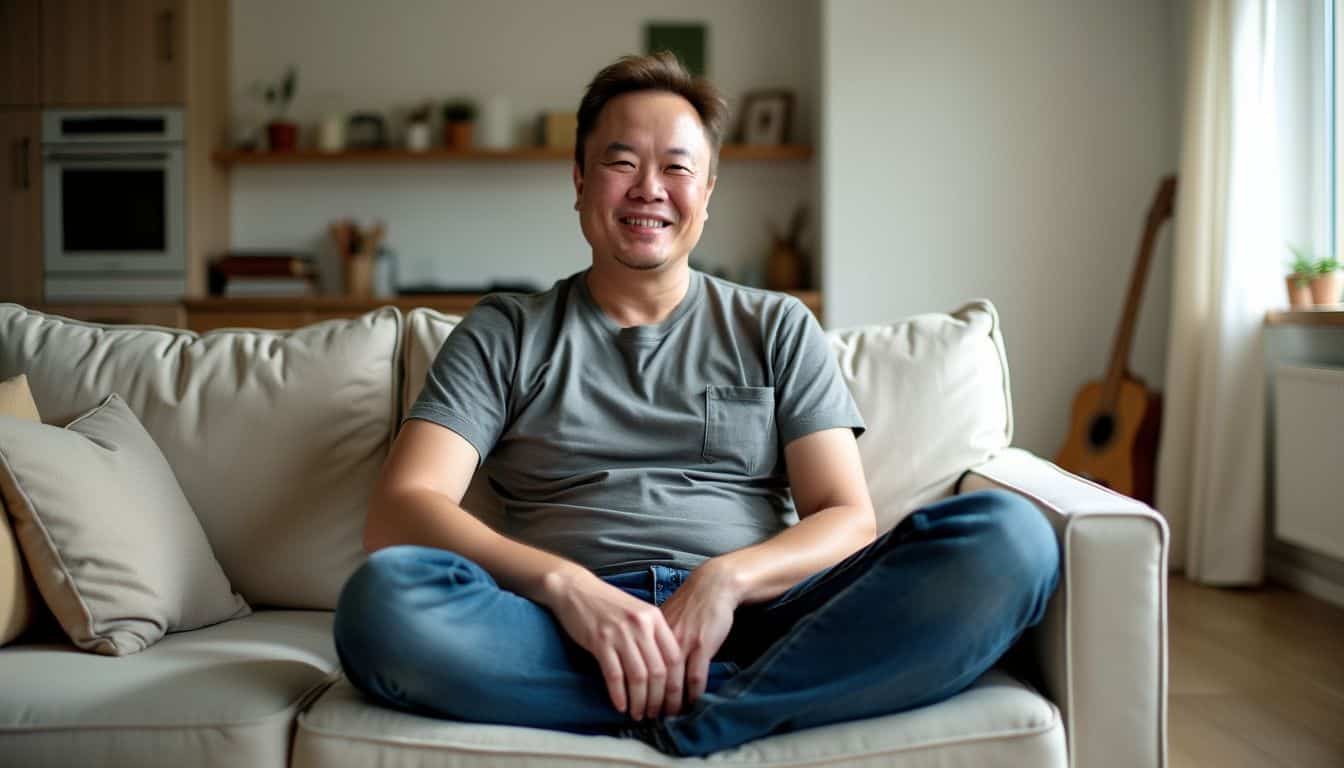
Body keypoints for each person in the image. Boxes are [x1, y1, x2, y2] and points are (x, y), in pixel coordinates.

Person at [334, 52, 1059, 757]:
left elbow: (847, 516)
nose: (649, 187)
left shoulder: (775, 325)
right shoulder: (506, 332)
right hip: (562, 633)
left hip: (763, 619)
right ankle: (743, 704)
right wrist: (568, 588)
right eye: (621, 162)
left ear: (707, 193)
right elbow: (400, 509)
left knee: (1012, 539)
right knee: (384, 604)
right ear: (581, 181)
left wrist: (725, 580)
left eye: (677, 167)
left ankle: (694, 714)